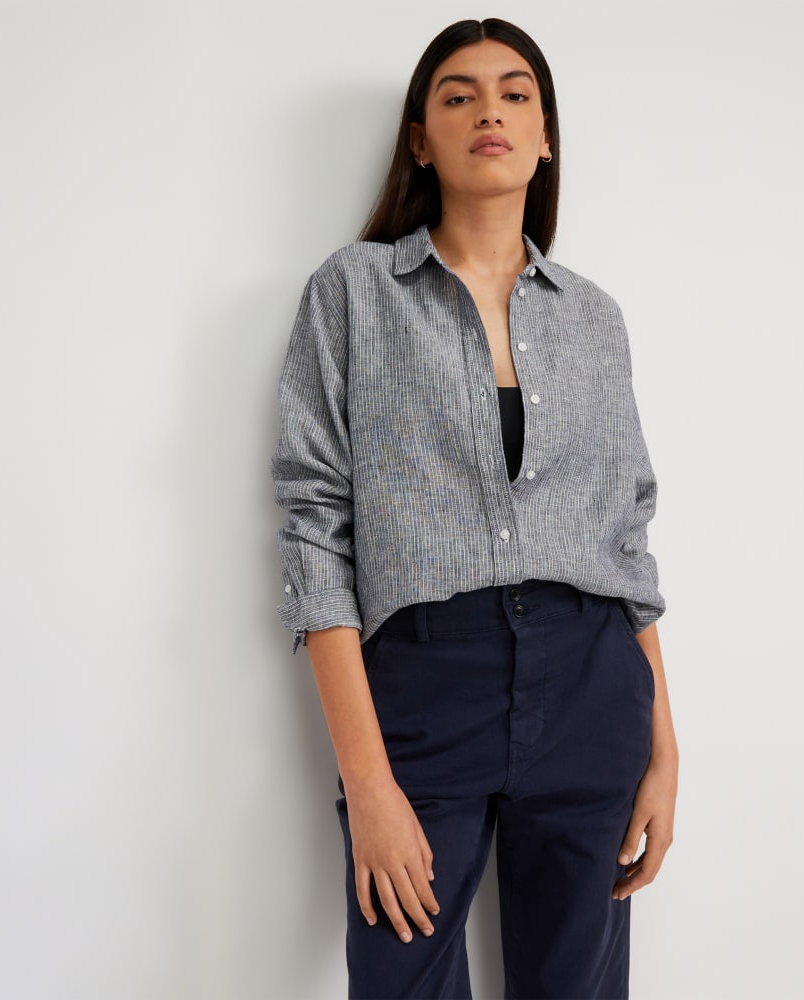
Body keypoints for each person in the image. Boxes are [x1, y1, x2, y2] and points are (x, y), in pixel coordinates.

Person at [271, 17, 679, 999]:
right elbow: (314, 526)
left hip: (591, 688)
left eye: (514, 94)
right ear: (421, 139)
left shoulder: (593, 317)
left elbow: (625, 538)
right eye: (458, 95)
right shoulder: (355, 292)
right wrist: (369, 784)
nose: (488, 110)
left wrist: (664, 748)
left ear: (545, 137)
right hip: (422, 684)